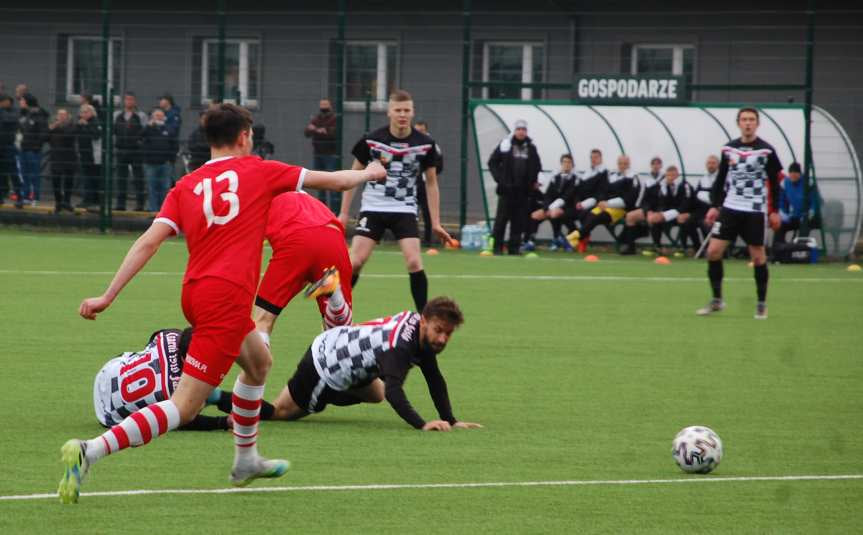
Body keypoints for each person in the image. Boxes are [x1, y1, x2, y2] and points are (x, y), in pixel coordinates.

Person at [59, 103, 386, 504]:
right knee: (184, 407)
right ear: (245, 137)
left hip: (196, 293)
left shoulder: (186, 186)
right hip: (226, 299)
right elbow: (333, 181)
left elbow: (148, 242)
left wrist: (108, 294)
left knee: (258, 363)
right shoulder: (259, 170)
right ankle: (90, 450)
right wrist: (369, 173)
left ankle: (245, 459)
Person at [220, 297, 482, 431]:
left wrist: (451, 420)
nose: (442, 338)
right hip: (325, 364)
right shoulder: (399, 346)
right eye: (439, 330)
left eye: (448, 333)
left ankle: (333, 392)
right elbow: (395, 391)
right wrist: (422, 424)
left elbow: (433, 377)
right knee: (279, 413)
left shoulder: (420, 332)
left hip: (341, 347)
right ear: (424, 321)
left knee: (375, 392)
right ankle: (215, 397)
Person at [339, 89, 452, 312]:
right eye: (398, 110)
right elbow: (353, 174)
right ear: (389, 112)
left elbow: (431, 183)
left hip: (405, 209)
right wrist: (343, 212)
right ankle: (338, 312)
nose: (402, 114)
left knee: (414, 262)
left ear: (412, 113)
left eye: (407, 110)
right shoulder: (371, 140)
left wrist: (436, 222)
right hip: (373, 207)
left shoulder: (425, 144)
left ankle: (424, 319)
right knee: (355, 262)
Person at [697, 107, 783, 320]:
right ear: (738, 123)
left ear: (757, 123)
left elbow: (775, 182)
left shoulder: (767, 151)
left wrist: (774, 211)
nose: (747, 123)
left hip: (754, 210)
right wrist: (714, 205)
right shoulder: (728, 149)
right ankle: (717, 300)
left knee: (757, 256)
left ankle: (761, 303)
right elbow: (721, 179)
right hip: (730, 207)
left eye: (751, 120)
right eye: (744, 119)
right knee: (713, 251)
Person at [254, 191, 355, 342]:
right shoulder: (302, 193)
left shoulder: (257, 196)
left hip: (297, 240)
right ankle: (336, 299)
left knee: (262, 320)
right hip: (335, 239)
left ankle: (254, 367)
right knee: (339, 335)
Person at [93, 327, 231, 432]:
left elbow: (155, 336)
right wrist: (223, 422)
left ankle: (239, 406)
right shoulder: (175, 389)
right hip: (108, 415)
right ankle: (239, 409)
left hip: (107, 373)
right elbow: (185, 420)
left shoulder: (171, 336)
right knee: (196, 395)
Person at [487, 119, 542, 255]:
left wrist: (535, 180)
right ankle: (497, 248)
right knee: (501, 221)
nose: (521, 132)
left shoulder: (531, 148)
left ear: (526, 132)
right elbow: (492, 162)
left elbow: (537, 166)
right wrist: (500, 180)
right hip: (507, 190)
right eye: (519, 129)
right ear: (515, 131)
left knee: (518, 222)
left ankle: (514, 248)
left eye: (523, 130)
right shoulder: (505, 144)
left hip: (523, 191)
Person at [568, 154, 643, 251]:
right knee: (586, 214)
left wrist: (608, 203)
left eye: (625, 163)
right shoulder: (612, 176)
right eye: (620, 163)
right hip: (606, 206)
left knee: (597, 216)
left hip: (621, 209)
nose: (622, 165)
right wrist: (601, 201)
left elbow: (629, 199)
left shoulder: (633, 178)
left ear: (629, 164)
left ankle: (573, 237)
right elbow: (603, 191)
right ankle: (579, 239)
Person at [643, 165, 698, 254]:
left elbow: (687, 203)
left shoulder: (685, 186)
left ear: (677, 176)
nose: (670, 178)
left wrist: (665, 215)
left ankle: (684, 247)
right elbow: (649, 200)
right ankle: (657, 246)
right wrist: (649, 212)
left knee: (683, 219)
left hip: (685, 212)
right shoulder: (661, 186)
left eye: (673, 176)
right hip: (669, 214)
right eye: (668, 176)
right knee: (655, 219)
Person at [530, 153, 577, 251]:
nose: (566, 164)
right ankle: (530, 241)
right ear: (561, 164)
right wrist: (546, 208)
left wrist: (550, 209)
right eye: (564, 162)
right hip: (553, 208)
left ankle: (558, 239)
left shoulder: (575, 179)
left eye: (569, 162)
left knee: (554, 213)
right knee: (535, 215)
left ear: (572, 165)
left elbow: (566, 197)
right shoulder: (556, 177)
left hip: (569, 208)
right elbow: (548, 195)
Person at [564, 149, 608, 252]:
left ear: (601, 158)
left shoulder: (604, 172)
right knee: (566, 214)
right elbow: (578, 191)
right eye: (592, 157)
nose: (593, 159)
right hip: (583, 203)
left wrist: (593, 201)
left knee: (586, 214)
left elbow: (602, 191)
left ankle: (580, 240)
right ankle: (575, 235)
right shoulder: (587, 172)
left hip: (595, 203)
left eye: (596, 157)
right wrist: (578, 202)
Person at [620, 156, 664, 255]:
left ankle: (657, 246)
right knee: (630, 216)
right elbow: (643, 197)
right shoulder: (647, 179)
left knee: (653, 218)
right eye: (654, 164)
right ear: (651, 166)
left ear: (661, 165)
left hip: (661, 209)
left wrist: (657, 210)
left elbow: (664, 198)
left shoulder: (664, 178)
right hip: (648, 209)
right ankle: (631, 247)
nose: (656, 166)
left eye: (658, 164)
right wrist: (645, 209)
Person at [113, 92, 147, 211]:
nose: (129, 102)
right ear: (124, 101)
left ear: (135, 101)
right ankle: (120, 204)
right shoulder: (117, 115)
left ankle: (140, 204)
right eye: (127, 99)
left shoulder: (141, 116)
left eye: (131, 99)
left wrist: (139, 142)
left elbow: (145, 131)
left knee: (138, 177)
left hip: (136, 151)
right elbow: (113, 131)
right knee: (121, 177)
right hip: (121, 150)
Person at [305, 98, 340, 212]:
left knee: (333, 183)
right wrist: (319, 130)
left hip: (331, 154)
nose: (323, 107)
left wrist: (317, 130)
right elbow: (307, 132)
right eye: (322, 105)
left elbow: (331, 133)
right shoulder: (317, 118)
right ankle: (322, 210)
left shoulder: (334, 119)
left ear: (330, 106)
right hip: (318, 153)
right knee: (320, 185)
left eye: (325, 105)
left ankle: (335, 211)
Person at [413, 120, 443, 247]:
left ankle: (427, 240)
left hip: (425, 184)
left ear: (426, 131)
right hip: (411, 184)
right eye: (417, 130)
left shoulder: (432, 146)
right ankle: (411, 238)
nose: (419, 133)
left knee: (427, 212)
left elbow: (440, 163)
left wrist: (430, 175)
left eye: (421, 131)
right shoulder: (409, 143)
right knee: (411, 213)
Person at [773, 162, 819, 246]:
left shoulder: (809, 183)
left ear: (800, 174)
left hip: (809, 217)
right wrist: (783, 214)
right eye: (791, 173)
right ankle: (778, 250)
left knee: (804, 227)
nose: (793, 175)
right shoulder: (784, 183)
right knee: (779, 226)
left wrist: (809, 214)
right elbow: (782, 202)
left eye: (796, 173)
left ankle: (800, 249)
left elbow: (814, 202)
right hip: (795, 216)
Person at [140, 108, 175, 212]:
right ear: (152, 117)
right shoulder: (148, 128)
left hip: (165, 163)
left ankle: (164, 211)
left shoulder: (169, 128)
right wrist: (148, 127)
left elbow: (174, 144)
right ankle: (153, 211)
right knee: (152, 188)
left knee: (165, 188)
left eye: (161, 115)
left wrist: (171, 159)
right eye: (156, 115)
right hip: (150, 163)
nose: (159, 117)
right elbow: (139, 136)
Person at [18, 93, 49, 206]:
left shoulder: (39, 115)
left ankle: (35, 197)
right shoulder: (24, 114)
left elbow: (44, 133)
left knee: (34, 174)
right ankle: (26, 197)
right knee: (24, 173)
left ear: (27, 102)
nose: (20, 103)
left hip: (33, 150)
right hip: (23, 149)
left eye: (22, 100)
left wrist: (36, 146)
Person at [48, 108, 78, 213]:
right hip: (56, 158)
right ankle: (58, 202)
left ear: (68, 116)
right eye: (59, 115)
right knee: (56, 181)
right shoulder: (53, 127)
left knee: (68, 181)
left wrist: (58, 128)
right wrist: (51, 129)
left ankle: (67, 201)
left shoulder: (72, 126)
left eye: (63, 115)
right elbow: (44, 137)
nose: (61, 117)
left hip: (69, 158)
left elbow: (68, 136)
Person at [75, 103, 102, 208]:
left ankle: (90, 199)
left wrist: (86, 125)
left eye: (86, 112)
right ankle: (91, 199)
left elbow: (96, 135)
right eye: (82, 112)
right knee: (88, 178)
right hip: (84, 154)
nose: (83, 114)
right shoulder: (81, 123)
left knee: (91, 178)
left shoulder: (95, 122)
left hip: (94, 155)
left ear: (92, 112)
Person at [0, 94, 23, 208]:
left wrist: (1, 110)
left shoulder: (14, 111)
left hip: (9, 147)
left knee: (13, 173)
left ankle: (19, 196)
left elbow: (9, 119)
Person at [692, 154, 720, 249]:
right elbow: (695, 195)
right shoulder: (702, 179)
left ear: (718, 165)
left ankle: (712, 249)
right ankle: (697, 248)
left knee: (706, 224)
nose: (710, 165)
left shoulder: (721, 178)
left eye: (713, 163)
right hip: (701, 210)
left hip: (715, 210)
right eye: (709, 163)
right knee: (688, 223)